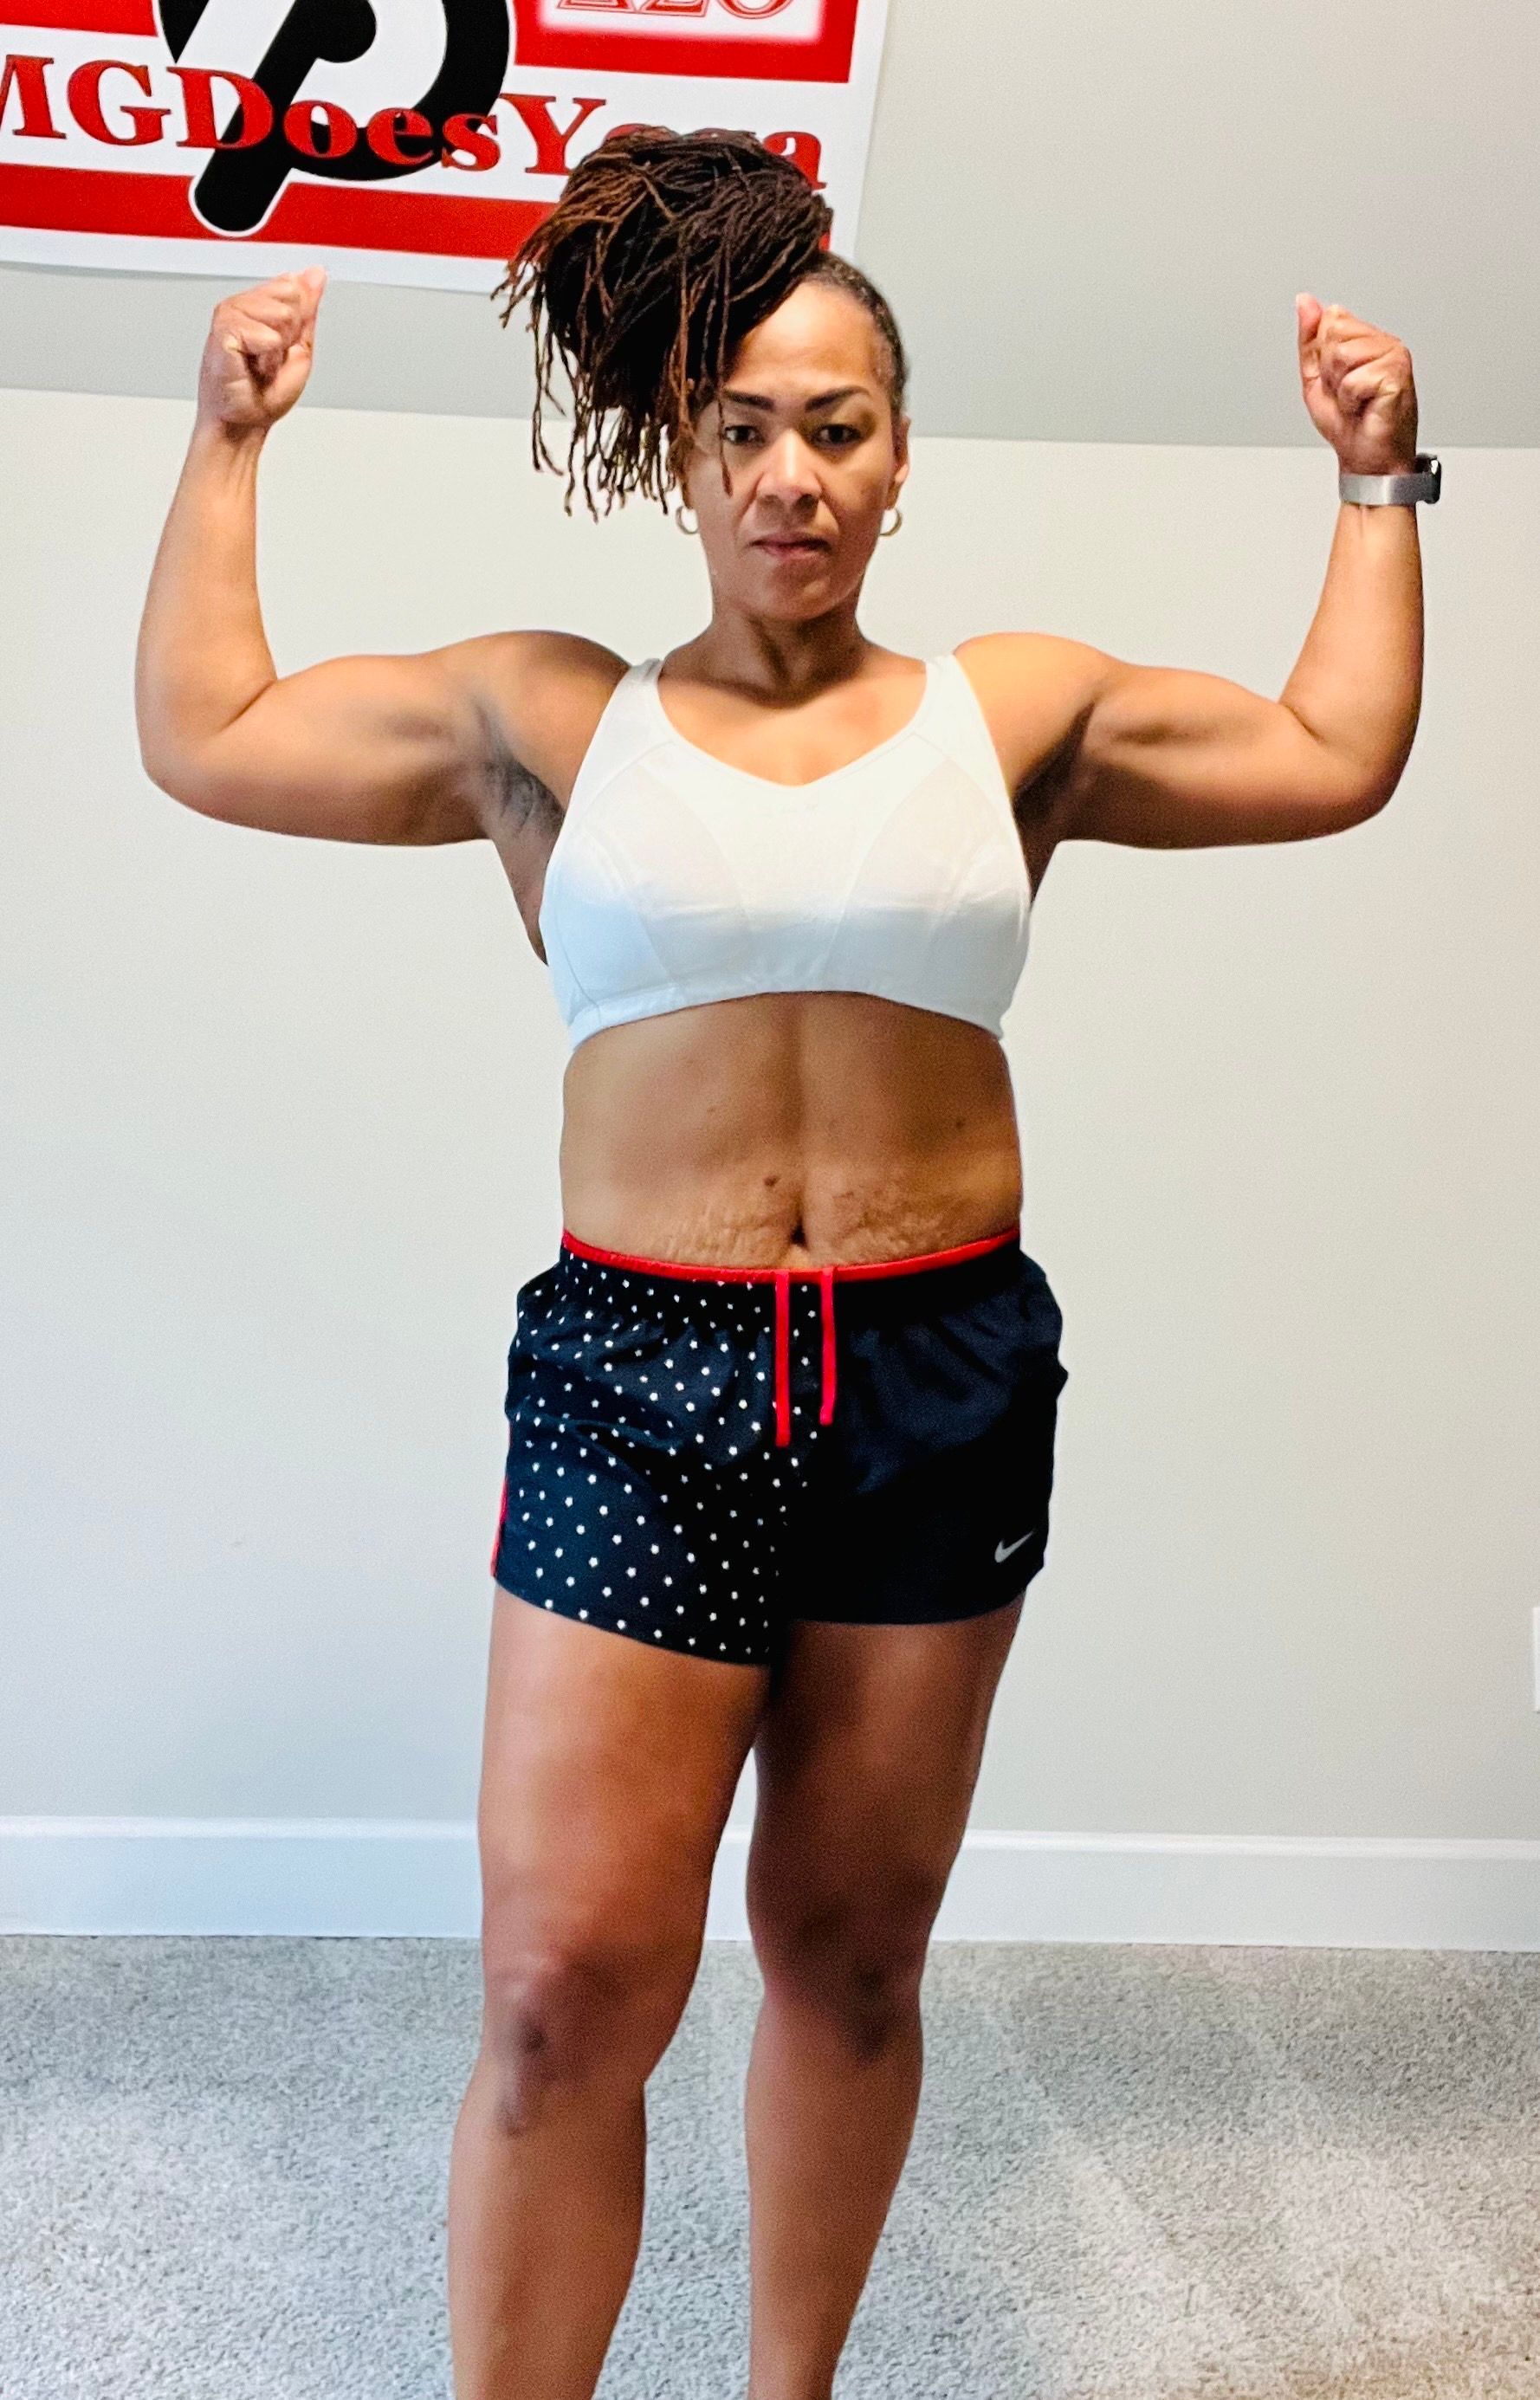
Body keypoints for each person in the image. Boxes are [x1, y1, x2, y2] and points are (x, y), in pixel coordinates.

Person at [134, 126, 1424, 2400]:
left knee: (844, 1951)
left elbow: (1331, 752)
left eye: (834, 425)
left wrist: (1373, 483)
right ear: (680, 452)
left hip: (936, 1361)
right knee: (558, 1985)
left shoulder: (1007, 713)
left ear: (899, 457)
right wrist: (228, 441)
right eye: (742, 428)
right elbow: (210, 732)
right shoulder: (552, 717)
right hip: (643, 1362)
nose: (789, 472)